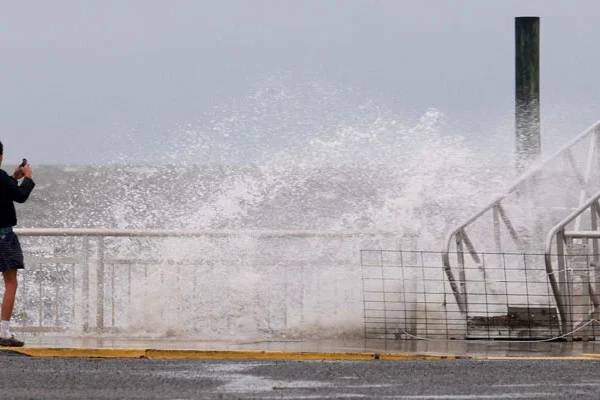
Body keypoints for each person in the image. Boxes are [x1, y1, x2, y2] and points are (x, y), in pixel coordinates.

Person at [0, 142, 34, 347]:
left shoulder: (4, 179)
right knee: (11, 283)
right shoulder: (0, 177)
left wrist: (13, 179)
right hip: (3, 236)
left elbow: (4, 190)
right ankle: (4, 332)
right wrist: (28, 177)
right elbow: (20, 197)